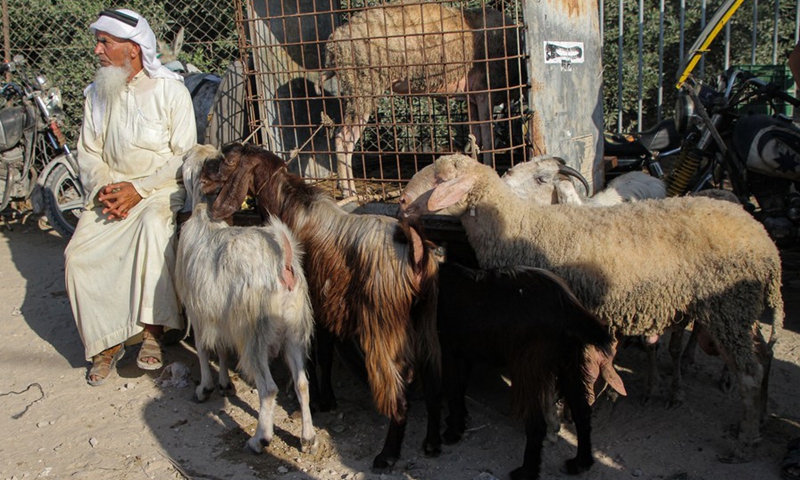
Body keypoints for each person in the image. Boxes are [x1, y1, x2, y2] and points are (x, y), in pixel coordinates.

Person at [64, 8, 196, 386]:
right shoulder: (97, 93)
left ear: (133, 49)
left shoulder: (171, 91)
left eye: (105, 42)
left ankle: (153, 330)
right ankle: (106, 341)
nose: (98, 50)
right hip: (110, 191)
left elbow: (184, 155)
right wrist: (105, 188)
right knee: (78, 256)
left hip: (157, 189)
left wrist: (138, 190)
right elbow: (88, 151)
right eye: (99, 41)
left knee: (154, 228)